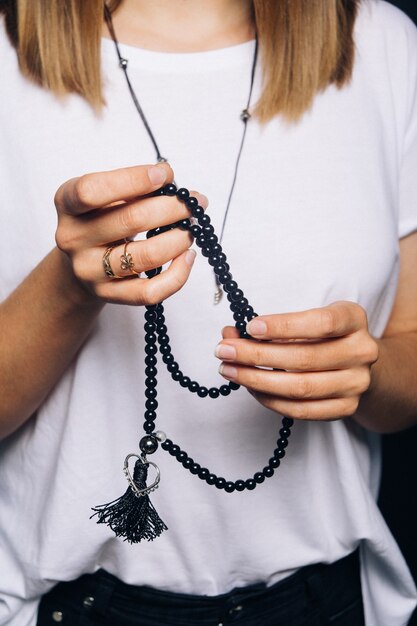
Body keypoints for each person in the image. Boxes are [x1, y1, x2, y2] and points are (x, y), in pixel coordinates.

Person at [0, 0, 417, 624]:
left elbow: (407, 360)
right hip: (74, 605)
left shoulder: (381, 43)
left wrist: (367, 373)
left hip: (324, 602)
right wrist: (69, 287)